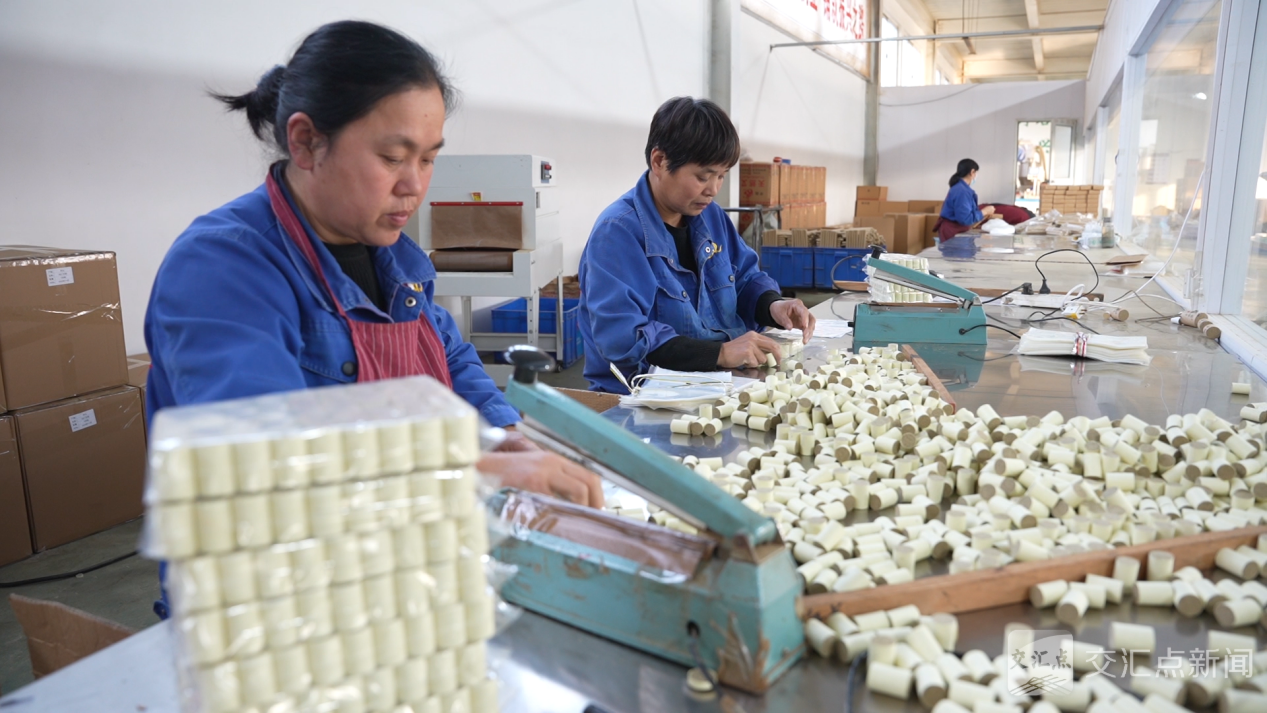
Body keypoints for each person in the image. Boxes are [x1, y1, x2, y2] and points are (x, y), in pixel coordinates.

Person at [146, 23, 603, 539]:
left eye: (428, 159)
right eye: (393, 158)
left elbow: (450, 358)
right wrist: (479, 471)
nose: (415, 185)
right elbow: (259, 466)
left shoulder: (395, 259)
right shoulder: (222, 267)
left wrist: (504, 434)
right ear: (306, 142)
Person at [577, 97, 816, 393]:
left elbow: (744, 278)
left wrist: (773, 305)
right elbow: (623, 337)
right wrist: (720, 353)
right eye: (703, 177)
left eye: (721, 176)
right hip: (645, 395)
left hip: (721, 382)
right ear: (659, 161)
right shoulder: (618, 233)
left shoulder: (711, 218)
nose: (713, 189)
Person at [934, 158, 996, 241]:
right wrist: (984, 211)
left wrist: (983, 214)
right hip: (953, 231)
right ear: (972, 172)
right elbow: (965, 219)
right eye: (976, 173)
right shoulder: (962, 191)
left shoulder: (961, 188)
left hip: (955, 230)